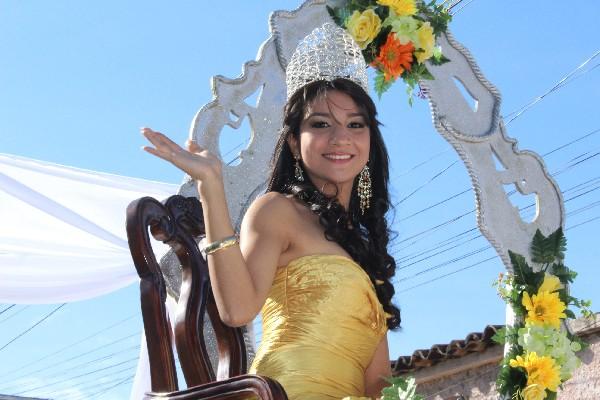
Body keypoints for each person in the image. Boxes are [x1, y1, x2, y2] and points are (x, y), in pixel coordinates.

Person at [141, 23, 400, 400]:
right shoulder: (277, 210)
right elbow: (237, 309)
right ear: (295, 143)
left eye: (355, 124)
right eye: (321, 124)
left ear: (369, 141)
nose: (341, 137)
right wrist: (211, 188)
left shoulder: (366, 252)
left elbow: (379, 381)